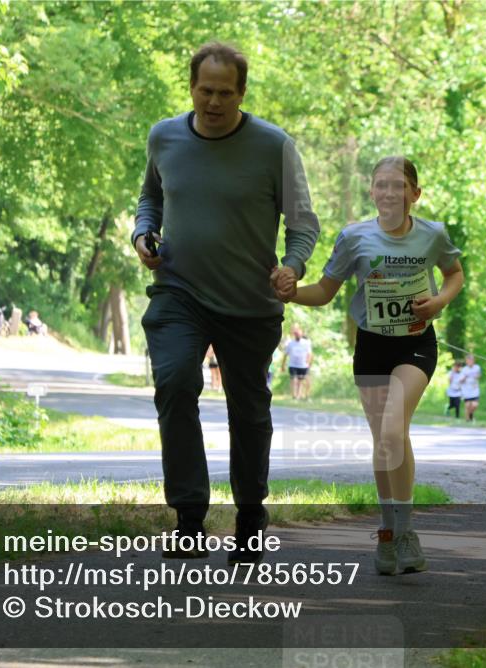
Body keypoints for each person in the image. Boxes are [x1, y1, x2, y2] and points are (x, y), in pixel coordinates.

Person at [132, 42, 319, 564]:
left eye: (225, 93)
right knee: (174, 383)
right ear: (191, 86)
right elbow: (151, 196)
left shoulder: (273, 146)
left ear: (242, 93)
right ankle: (189, 519)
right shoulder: (164, 136)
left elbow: (303, 225)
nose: (213, 102)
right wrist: (143, 233)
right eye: (204, 91)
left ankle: (250, 514)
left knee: (249, 411)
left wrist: (293, 267)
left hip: (249, 301)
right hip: (178, 291)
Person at [281, 156, 463, 576]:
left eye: (398, 185)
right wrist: (287, 294)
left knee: (394, 430)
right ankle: (387, 532)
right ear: (372, 192)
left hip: (416, 345)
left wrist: (439, 301)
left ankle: (405, 533)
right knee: (386, 443)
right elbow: (325, 291)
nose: (388, 193)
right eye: (380, 185)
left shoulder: (432, 234)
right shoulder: (354, 237)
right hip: (371, 346)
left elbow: (454, 274)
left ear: (414, 194)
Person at [281, 325, 313, 400]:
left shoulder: (306, 343)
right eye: (296, 333)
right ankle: (294, 396)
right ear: (294, 335)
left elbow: (310, 354)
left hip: (303, 365)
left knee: (301, 381)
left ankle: (301, 395)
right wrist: (283, 365)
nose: (297, 335)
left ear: (301, 333)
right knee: (294, 380)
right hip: (293, 365)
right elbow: (285, 355)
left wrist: (308, 362)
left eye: (298, 333)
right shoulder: (290, 343)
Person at [460, 353, 481, 421]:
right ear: (466, 361)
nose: (470, 362)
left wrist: (476, 376)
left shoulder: (477, 367)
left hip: (475, 389)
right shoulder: (464, 369)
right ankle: (467, 420)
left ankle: (470, 414)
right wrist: (465, 377)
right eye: (469, 360)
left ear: (474, 361)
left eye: (472, 360)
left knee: (475, 405)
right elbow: (460, 380)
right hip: (466, 390)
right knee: (467, 405)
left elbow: (479, 376)